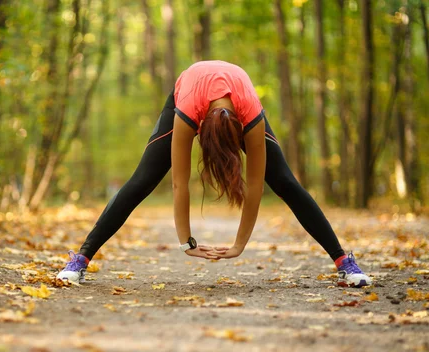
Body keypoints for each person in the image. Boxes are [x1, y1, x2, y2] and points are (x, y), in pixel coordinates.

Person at [56, 60, 371, 288]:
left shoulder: (251, 119)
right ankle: (80, 259)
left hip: (239, 100)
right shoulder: (187, 114)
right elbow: (180, 184)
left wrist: (239, 245)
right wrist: (186, 243)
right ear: (199, 130)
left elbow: (257, 187)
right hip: (189, 91)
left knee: (285, 181)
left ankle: (344, 261)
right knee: (143, 179)